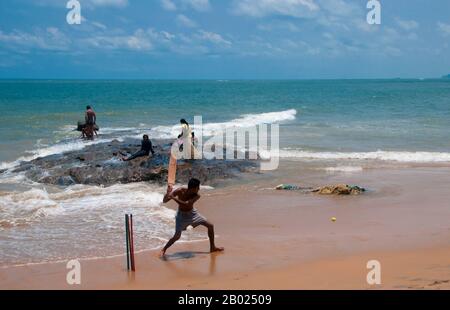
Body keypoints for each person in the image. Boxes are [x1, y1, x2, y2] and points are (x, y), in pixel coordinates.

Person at [160, 178, 224, 257]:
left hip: (193, 214)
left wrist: (173, 197)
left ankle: (212, 247)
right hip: (181, 216)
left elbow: (186, 204)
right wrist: (168, 193)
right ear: (193, 188)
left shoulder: (197, 195)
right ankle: (164, 249)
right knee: (177, 236)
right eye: (198, 187)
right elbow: (165, 200)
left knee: (210, 226)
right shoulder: (180, 191)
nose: (199, 189)